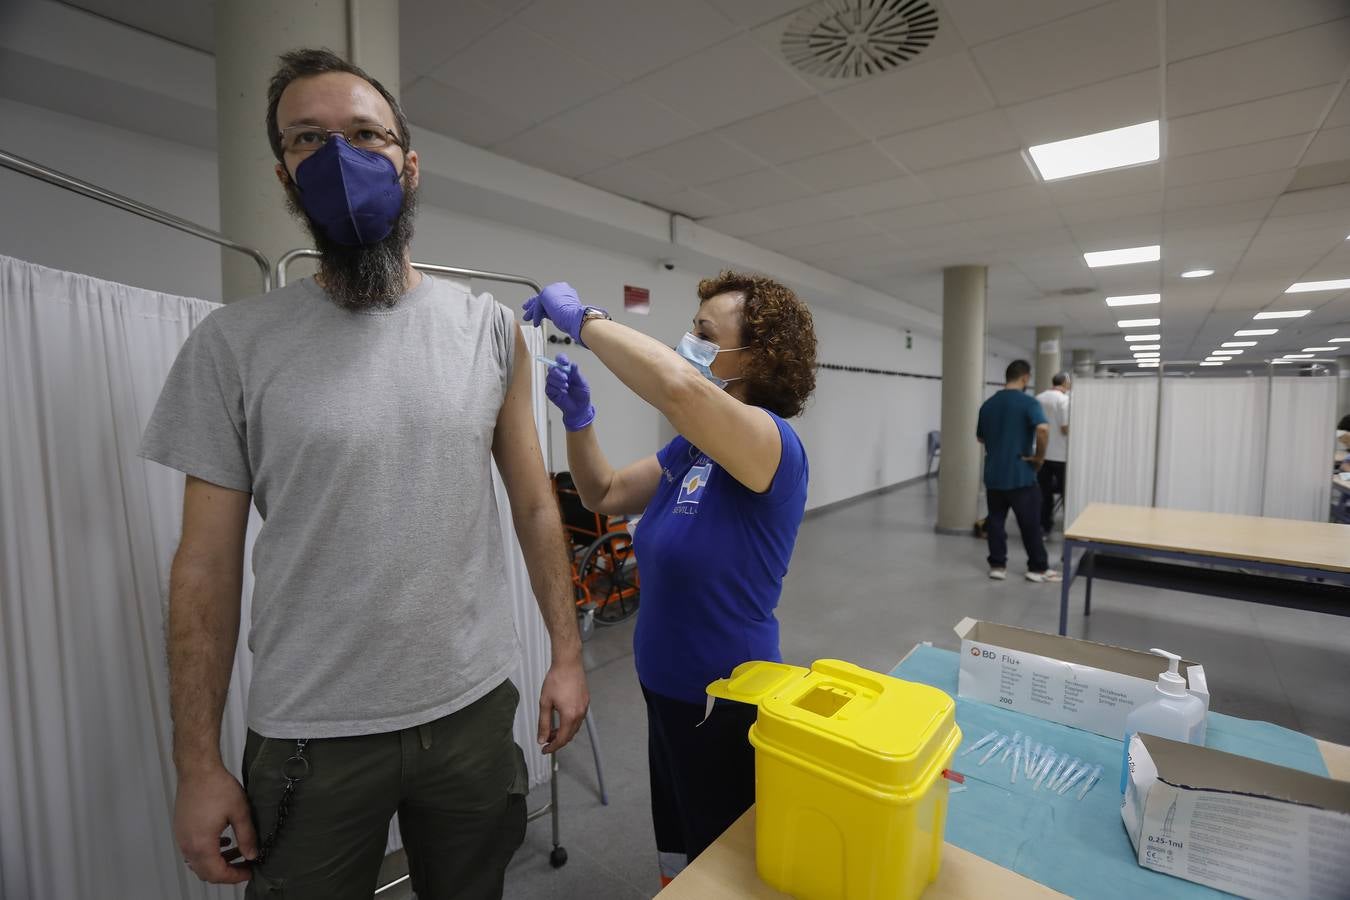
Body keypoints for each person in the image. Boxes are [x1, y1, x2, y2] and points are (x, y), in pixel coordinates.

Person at [139, 49, 588, 900]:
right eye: (309, 139)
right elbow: (203, 567)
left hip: (471, 713)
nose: (339, 158)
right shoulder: (233, 347)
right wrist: (197, 764)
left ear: (409, 165)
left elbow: (534, 504)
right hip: (311, 731)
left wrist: (566, 654)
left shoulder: (488, 330)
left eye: (366, 135)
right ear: (283, 173)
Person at [521, 271, 816, 886]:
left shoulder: (772, 444)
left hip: (728, 702)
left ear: (756, 358)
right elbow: (602, 491)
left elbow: (680, 389)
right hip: (666, 692)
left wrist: (585, 321)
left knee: (728, 869)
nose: (689, 342)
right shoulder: (691, 452)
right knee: (681, 855)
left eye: (705, 333)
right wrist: (580, 422)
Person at [977, 360, 1060, 583]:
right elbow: (1042, 430)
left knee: (995, 521)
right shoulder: (1028, 403)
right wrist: (1039, 458)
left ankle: (997, 565)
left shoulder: (988, 404)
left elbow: (980, 438)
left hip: (994, 474)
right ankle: (1037, 568)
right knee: (1030, 523)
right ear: (1025, 378)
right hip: (1020, 474)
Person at [1035, 372, 1071, 537]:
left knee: (1044, 493)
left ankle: (1044, 527)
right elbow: (1065, 428)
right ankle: (1068, 526)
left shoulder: (1039, 398)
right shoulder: (1064, 400)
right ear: (1064, 383)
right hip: (1061, 455)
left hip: (1042, 453)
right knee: (1066, 493)